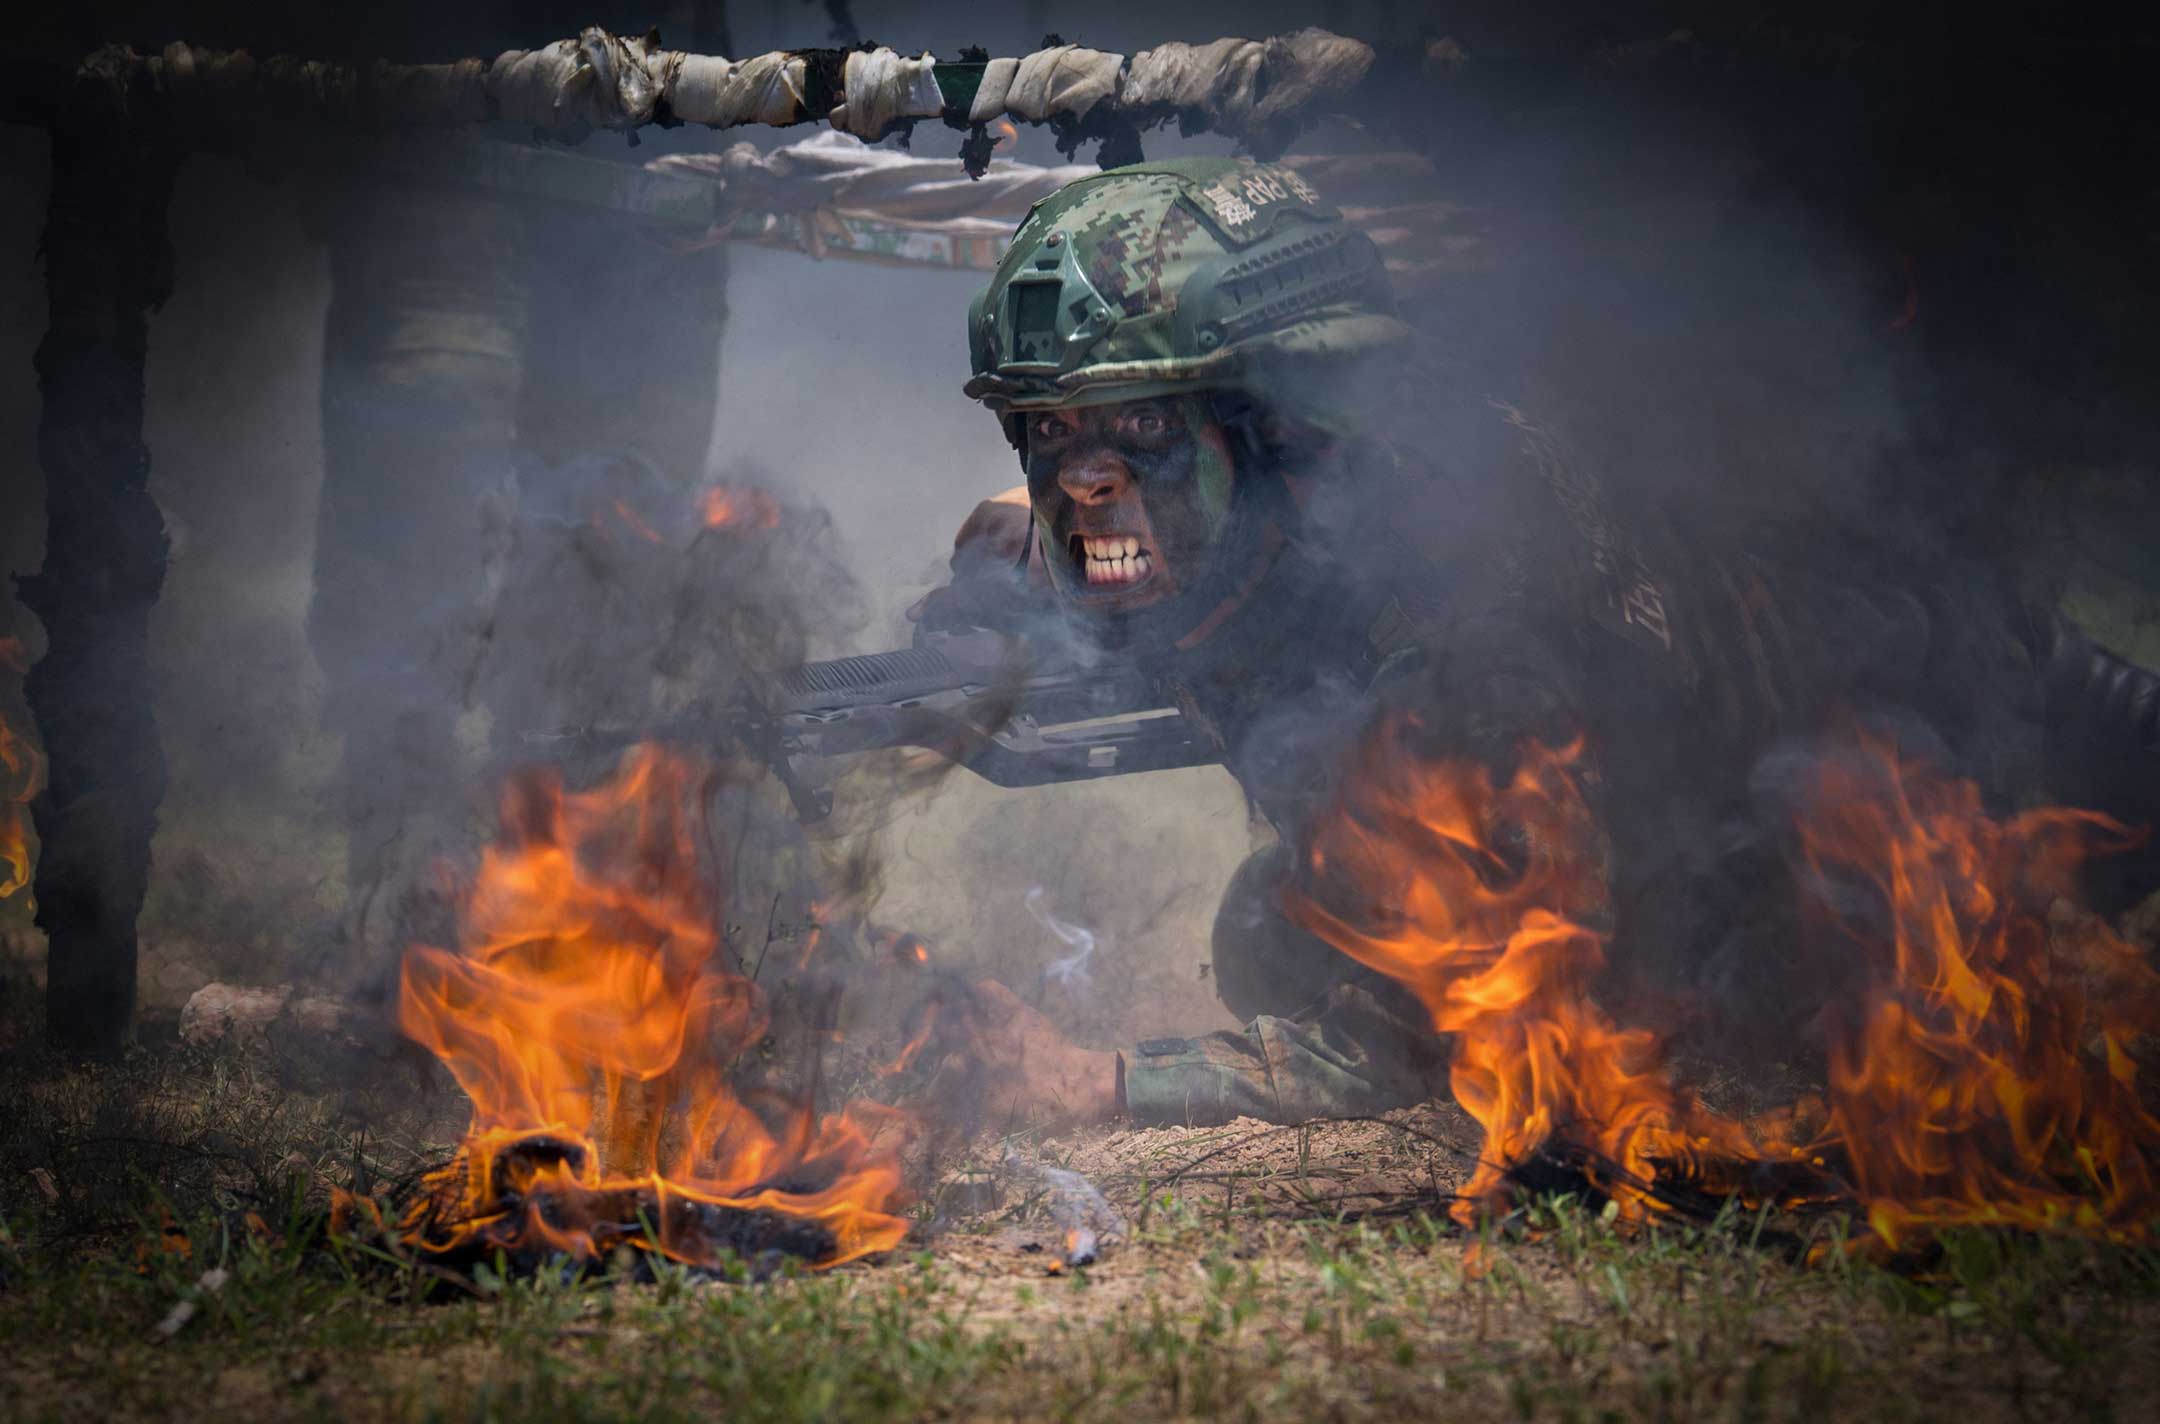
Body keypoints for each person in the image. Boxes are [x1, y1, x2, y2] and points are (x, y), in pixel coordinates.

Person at [914, 158, 2160, 1129]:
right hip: (1796, 705)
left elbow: (1426, 1012)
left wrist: (1104, 1078)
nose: (1085, 476)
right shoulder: (1294, 484)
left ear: (1282, 424)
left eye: (1138, 423)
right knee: (1272, 927)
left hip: (1948, 748)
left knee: (1742, 1013)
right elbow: (1133, 528)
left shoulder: (1463, 622)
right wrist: (1036, 538)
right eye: (1047, 428)